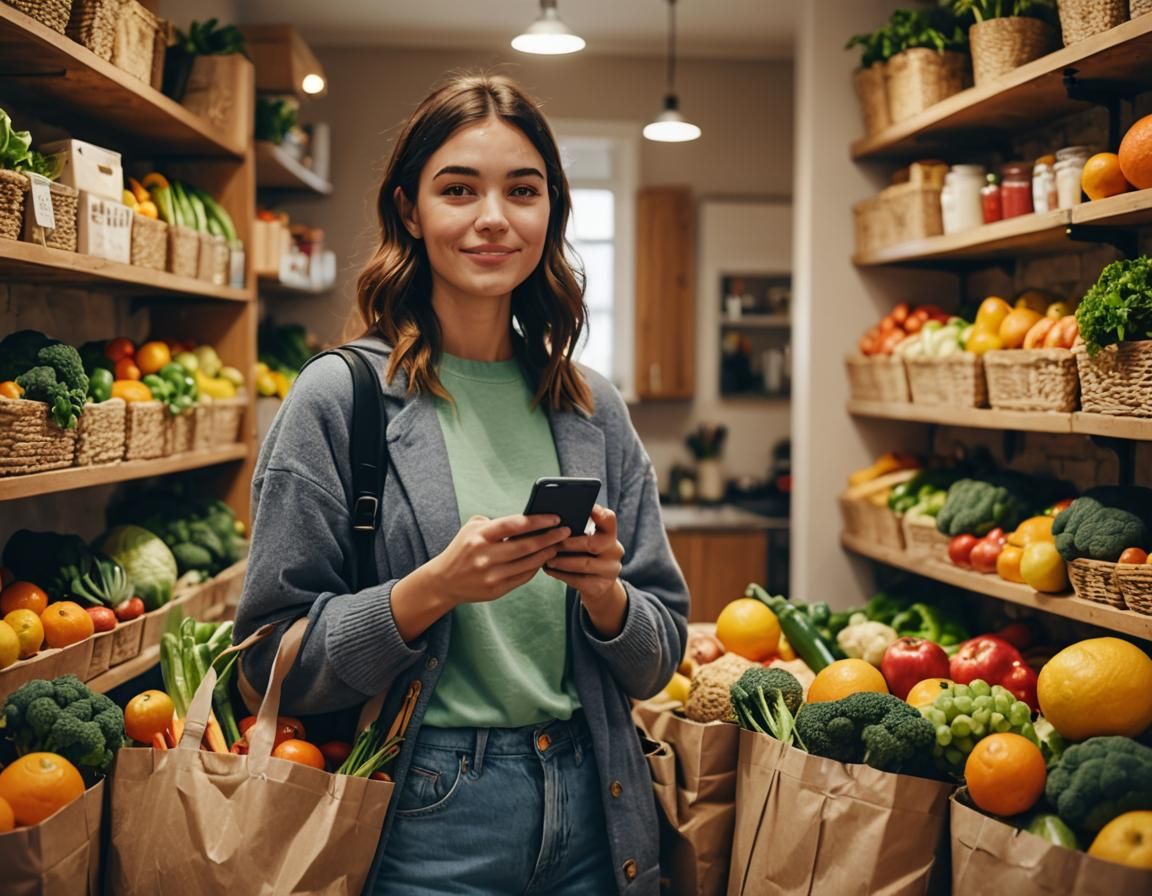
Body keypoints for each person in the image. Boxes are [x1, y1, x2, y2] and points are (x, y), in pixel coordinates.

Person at [234, 72, 688, 895]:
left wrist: (608, 601)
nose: (492, 218)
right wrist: (430, 591)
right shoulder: (339, 399)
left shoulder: (592, 408)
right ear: (410, 210)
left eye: (522, 190)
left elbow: (661, 655)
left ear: (550, 211)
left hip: (598, 802)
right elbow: (265, 663)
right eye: (458, 189)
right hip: (422, 813)